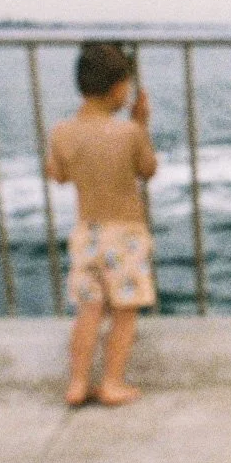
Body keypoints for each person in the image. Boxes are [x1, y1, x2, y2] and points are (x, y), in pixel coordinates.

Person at [46, 42, 158, 407]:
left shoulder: (61, 131)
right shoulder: (129, 133)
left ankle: (77, 383)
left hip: (87, 233)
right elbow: (147, 169)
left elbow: (57, 174)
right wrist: (141, 125)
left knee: (89, 310)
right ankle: (111, 382)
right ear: (118, 88)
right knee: (124, 313)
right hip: (125, 235)